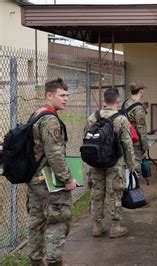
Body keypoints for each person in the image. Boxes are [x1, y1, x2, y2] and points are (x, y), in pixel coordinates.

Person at [27, 78, 77, 266]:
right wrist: (67, 179)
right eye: (62, 95)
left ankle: (36, 261)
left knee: (36, 221)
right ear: (50, 95)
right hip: (49, 181)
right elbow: (54, 154)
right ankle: (54, 261)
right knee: (58, 221)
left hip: (34, 179)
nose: (66, 99)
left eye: (67, 95)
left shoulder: (37, 114)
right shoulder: (50, 120)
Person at [86, 88, 135, 239]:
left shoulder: (92, 117)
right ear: (118, 102)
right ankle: (115, 226)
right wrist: (131, 164)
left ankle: (97, 226)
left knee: (97, 192)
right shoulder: (121, 119)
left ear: (104, 101)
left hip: (96, 161)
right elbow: (127, 144)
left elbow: (87, 138)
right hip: (114, 162)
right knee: (114, 192)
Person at [122, 81, 150, 179]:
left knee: (126, 165)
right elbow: (141, 128)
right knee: (136, 166)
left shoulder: (126, 102)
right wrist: (145, 147)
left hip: (126, 137)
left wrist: (144, 108)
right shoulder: (138, 107)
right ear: (141, 91)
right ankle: (133, 191)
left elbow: (130, 117)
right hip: (135, 140)